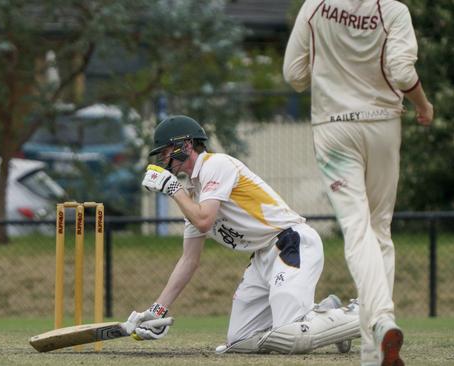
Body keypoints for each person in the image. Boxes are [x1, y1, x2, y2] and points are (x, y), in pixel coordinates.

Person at [121, 115, 360, 355]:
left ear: (186, 145)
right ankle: (324, 316)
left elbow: (204, 221)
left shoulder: (216, 165)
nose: (163, 157)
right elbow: (189, 260)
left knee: (291, 335)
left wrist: (173, 189)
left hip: (290, 242)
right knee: (239, 341)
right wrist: (158, 310)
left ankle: (357, 315)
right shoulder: (194, 195)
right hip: (261, 258)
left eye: (166, 150)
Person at [283, 1, 434, 365]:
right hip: (383, 123)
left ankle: (381, 320)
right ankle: (373, 348)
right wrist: (423, 105)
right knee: (379, 230)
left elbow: (294, 74)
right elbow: (401, 71)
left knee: (356, 228)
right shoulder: (394, 10)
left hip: (333, 128)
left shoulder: (316, 6)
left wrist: (326, 72)